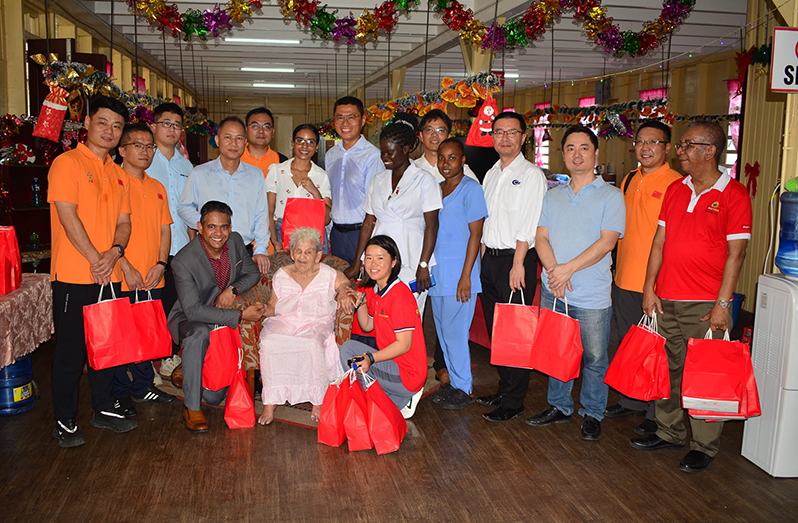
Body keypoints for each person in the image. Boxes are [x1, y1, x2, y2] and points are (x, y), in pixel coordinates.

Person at [631, 121, 751, 473]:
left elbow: (737, 255)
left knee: (703, 376)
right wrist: (650, 287)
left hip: (705, 303)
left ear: (710, 150)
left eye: (686, 145)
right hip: (666, 298)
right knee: (669, 370)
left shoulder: (734, 194)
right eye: (681, 145)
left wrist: (722, 304)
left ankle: (705, 445)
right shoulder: (677, 190)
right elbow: (659, 242)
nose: (680, 151)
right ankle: (669, 432)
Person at [526, 125, 625, 442]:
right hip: (555, 290)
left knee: (594, 358)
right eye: (570, 148)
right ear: (563, 154)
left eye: (584, 148)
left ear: (596, 154)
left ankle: (593, 412)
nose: (577, 154)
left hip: (592, 294)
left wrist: (566, 270)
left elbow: (607, 242)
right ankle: (558, 405)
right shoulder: (553, 195)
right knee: (558, 351)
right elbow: (541, 237)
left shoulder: (612, 195)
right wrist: (554, 271)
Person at [48, 96, 135, 447]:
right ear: (86, 124)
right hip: (73, 276)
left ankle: (103, 408)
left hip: (109, 275)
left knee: (107, 350)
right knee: (71, 353)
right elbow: (68, 217)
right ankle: (65, 419)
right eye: (103, 123)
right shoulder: (66, 163)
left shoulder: (118, 173)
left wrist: (114, 253)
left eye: (116, 126)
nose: (109, 131)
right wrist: (95, 259)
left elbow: (124, 223)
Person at [604, 120, 681, 435]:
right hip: (623, 278)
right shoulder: (629, 179)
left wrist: (657, 285)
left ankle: (654, 411)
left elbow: (671, 240)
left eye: (654, 142)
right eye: (640, 141)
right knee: (627, 343)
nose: (646, 147)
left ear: (666, 148)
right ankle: (632, 400)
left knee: (657, 350)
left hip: (656, 284)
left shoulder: (676, 184)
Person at [167, 201, 265, 432]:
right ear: (200, 227)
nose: (218, 233)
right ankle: (191, 408)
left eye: (223, 227)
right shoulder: (183, 261)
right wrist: (240, 316)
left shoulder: (236, 241)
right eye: (211, 227)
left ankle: (189, 368)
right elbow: (192, 311)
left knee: (213, 397)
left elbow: (252, 273)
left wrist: (233, 290)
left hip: (221, 313)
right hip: (189, 316)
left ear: (230, 228)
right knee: (199, 333)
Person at [476, 111, 547, 423]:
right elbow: (484, 221)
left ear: (523, 136)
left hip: (515, 262)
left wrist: (519, 264)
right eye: (499, 132)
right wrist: (478, 261)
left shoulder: (532, 175)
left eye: (511, 132)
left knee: (515, 333)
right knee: (496, 332)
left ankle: (515, 401)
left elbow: (528, 224)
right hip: (489, 259)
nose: (504, 138)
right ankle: (505, 390)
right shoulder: (491, 173)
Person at [257, 228, 355, 425]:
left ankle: (317, 399)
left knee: (311, 344)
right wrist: (260, 310)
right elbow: (274, 307)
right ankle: (270, 401)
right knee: (268, 343)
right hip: (285, 321)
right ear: (292, 253)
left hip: (315, 322)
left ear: (318, 255)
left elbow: (345, 282)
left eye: (308, 252)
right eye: (298, 251)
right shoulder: (282, 274)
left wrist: (344, 292)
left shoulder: (328, 274)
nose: (302, 256)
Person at [349, 112, 442, 314]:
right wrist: (359, 262)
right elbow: (368, 224)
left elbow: (432, 225)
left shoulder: (424, 180)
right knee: (382, 315)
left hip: (412, 256)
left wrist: (424, 264)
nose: (385, 158)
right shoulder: (377, 180)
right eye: (382, 152)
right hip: (380, 258)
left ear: (406, 149)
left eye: (390, 153)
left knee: (409, 315)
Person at [112, 123, 176, 416]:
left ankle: (143, 386)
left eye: (149, 146)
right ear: (121, 149)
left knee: (146, 335)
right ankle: (118, 395)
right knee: (120, 339)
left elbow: (165, 230)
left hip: (152, 276)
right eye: (137, 145)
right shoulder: (111, 182)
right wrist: (125, 266)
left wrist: (161, 265)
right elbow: (104, 231)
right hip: (120, 275)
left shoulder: (156, 186)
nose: (145, 151)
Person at [428, 139, 488, 410]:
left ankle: (464, 387)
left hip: (459, 276)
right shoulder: (437, 189)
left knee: (455, 334)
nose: (446, 163)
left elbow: (476, 235)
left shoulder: (471, 189)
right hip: (438, 273)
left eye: (452, 158)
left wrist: (467, 276)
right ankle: (454, 383)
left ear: (463, 160)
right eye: (442, 158)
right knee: (443, 333)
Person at [340, 235, 427, 418]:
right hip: (394, 364)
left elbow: (404, 345)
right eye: (369, 258)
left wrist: (371, 358)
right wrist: (361, 301)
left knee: (353, 356)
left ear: (394, 261)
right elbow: (367, 326)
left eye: (380, 258)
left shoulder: (400, 296)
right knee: (349, 349)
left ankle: (404, 394)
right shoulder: (380, 292)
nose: (373, 263)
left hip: (407, 372)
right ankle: (394, 399)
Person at [178, 116, 271, 275]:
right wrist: (208, 226)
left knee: (242, 298)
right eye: (227, 137)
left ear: (245, 142)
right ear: (217, 140)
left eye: (239, 138)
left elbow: (261, 214)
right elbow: (184, 207)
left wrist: (261, 250)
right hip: (208, 252)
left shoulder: (255, 175)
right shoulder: (200, 173)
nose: (233, 143)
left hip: (244, 252)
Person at [147, 102, 194, 379]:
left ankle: (167, 355)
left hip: (179, 247)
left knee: (173, 305)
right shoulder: (143, 158)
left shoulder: (186, 165)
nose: (172, 129)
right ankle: (145, 362)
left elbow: (190, 208)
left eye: (177, 125)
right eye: (166, 123)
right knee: (149, 305)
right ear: (154, 126)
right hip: (149, 246)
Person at [326, 96, 384, 266]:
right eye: (340, 117)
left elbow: (375, 202)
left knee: (362, 286)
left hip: (361, 233)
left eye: (351, 117)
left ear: (363, 120)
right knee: (339, 287)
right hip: (336, 233)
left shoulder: (372, 156)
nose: (345, 123)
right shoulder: (331, 155)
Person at [265, 124, 332, 253]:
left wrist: (315, 192)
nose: (304, 146)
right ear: (293, 143)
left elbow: (327, 219)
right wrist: (274, 240)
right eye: (300, 141)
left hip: (314, 233)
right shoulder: (276, 170)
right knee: (286, 272)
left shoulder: (322, 176)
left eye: (310, 142)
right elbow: (269, 209)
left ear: (317, 147)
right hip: (283, 231)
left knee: (316, 272)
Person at [416, 109, 479, 184]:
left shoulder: (462, 170)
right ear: (421, 136)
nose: (434, 135)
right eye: (429, 130)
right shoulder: (411, 169)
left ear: (448, 137)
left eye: (440, 131)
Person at [241, 106, 288, 177]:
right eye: (255, 126)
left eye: (266, 127)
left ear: (273, 132)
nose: (261, 131)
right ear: (245, 130)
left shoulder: (282, 162)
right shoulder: (234, 158)